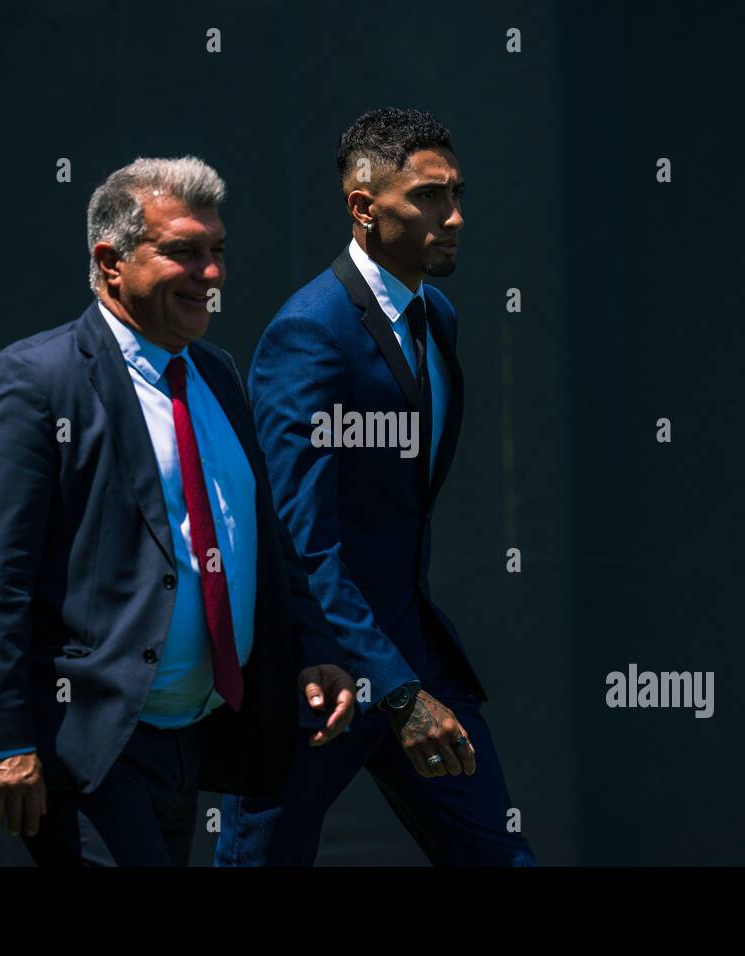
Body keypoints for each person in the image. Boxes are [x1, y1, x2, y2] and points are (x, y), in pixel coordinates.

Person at [0, 156, 355, 866]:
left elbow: (257, 534)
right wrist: (3, 743)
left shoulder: (216, 371)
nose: (213, 274)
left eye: (217, 252)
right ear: (111, 262)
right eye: (184, 253)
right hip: (90, 745)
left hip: (193, 740)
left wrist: (313, 650)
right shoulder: (33, 383)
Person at [215, 109, 536, 866]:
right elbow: (302, 539)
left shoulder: (438, 316)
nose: (453, 216)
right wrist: (392, 690)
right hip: (319, 677)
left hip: (415, 654)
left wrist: (408, 677)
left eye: (456, 193)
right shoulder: (310, 335)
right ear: (364, 208)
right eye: (427, 197)